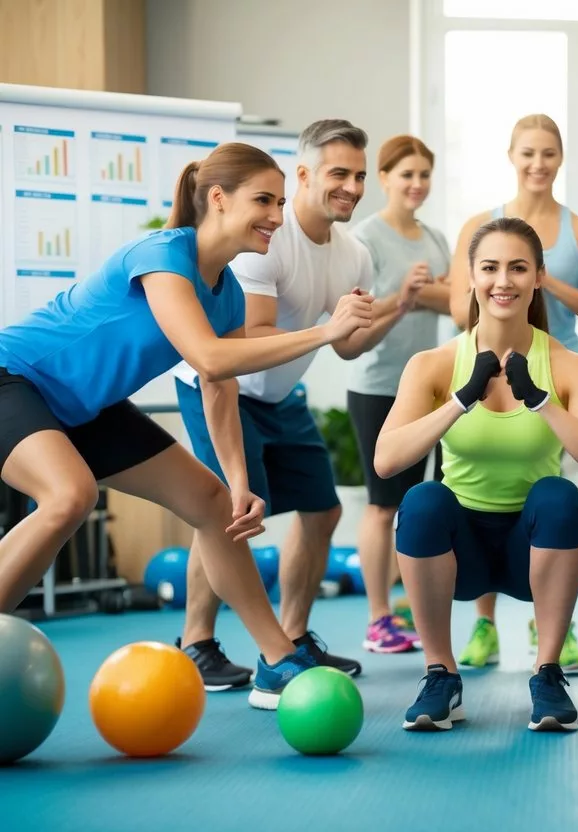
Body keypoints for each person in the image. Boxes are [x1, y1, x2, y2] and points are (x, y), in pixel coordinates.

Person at [0, 143, 376, 708]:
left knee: (211, 502)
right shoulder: (163, 255)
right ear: (218, 199)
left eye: (279, 202)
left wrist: (237, 481)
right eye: (263, 201)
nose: (277, 216)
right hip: (16, 378)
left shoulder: (225, 294)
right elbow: (208, 357)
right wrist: (327, 330)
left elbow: (218, 389)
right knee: (68, 496)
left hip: (84, 409)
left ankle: (278, 660)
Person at [171, 119, 419, 690]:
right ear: (304, 175)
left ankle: (294, 637)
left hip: (280, 396)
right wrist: (330, 331)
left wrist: (393, 311)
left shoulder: (353, 253)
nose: (353, 187)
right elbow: (250, 338)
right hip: (221, 386)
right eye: (339, 174)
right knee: (225, 515)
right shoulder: (267, 241)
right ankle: (197, 643)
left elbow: (351, 346)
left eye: (359, 176)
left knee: (323, 510)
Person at [377, 216, 578, 732]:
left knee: (559, 494)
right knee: (422, 500)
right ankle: (441, 675)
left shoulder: (571, 366)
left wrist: (541, 401)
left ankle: (548, 674)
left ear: (538, 278)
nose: (503, 281)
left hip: (531, 549)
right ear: (471, 277)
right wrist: (460, 401)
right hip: (459, 555)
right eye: (489, 268)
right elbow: (387, 459)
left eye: (517, 268)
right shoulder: (434, 364)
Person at [447, 114, 578, 672]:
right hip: (486, 360)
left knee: (549, 489)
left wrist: (537, 271)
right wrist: (510, 276)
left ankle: (553, 627)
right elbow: (457, 308)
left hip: (552, 370)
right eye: (528, 153)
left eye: (548, 153)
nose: (537, 164)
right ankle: (484, 624)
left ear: (560, 158)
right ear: (512, 156)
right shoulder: (480, 222)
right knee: (478, 482)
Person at [347, 134, 452, 655]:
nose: (416, 184)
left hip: (426, 391)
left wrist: (423, 295)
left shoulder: (435, 238)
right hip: (377, 386)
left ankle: (410, 606)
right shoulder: (364, 239)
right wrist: (406, 297)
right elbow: (361, 315)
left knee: (419, 503)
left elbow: (459, 301)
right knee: (382, 505)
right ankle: (377, 618)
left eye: (424, 175)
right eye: (405, 174)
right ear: (384, 177)